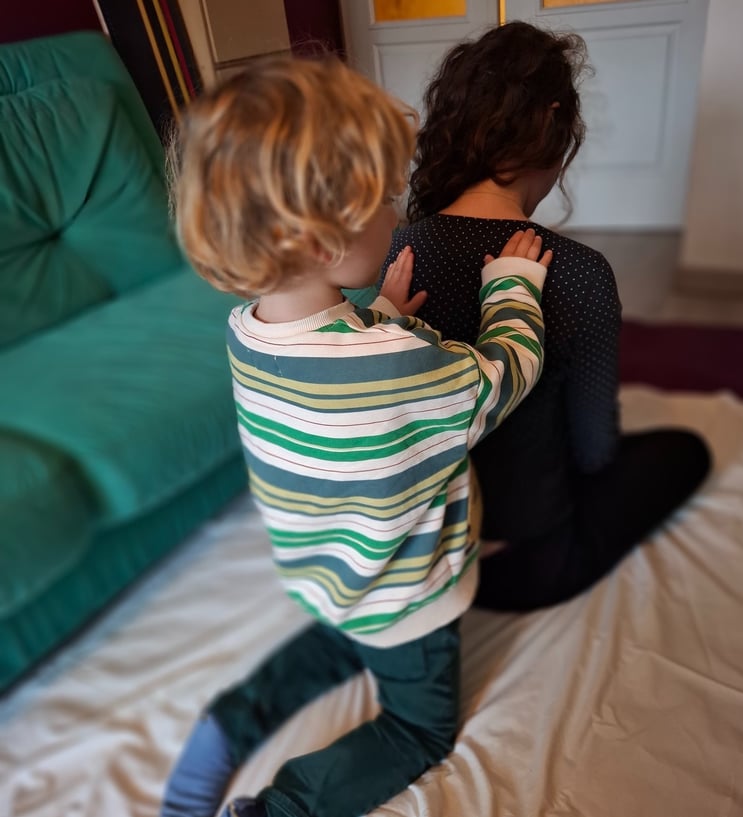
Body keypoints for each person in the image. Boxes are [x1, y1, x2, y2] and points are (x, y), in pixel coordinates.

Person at [162, 52, 551, 817]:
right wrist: (512, 286)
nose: (397, 217)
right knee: (419, 729)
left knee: (337, 641)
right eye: (384, 202)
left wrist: (387, 316)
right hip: (404, 589)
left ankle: (226, 727)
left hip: (326, 568)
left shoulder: (248, 330)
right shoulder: (398, 362)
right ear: (320, 242)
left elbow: (341, 380)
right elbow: (502, 376)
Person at [382, 20, 711, 612]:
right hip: (523, 561)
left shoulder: (395, 257)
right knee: (684, 451)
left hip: (418, 558)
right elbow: (594, 451)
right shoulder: (579, 272)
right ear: (554, 138)